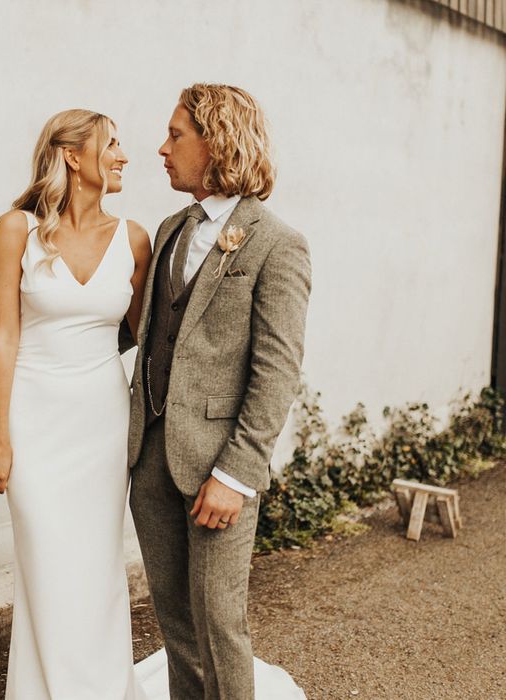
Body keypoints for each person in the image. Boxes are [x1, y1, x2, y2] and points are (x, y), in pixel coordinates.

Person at [128, 83, 312, 700]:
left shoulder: (276, 243)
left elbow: (276, 370)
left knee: (220, 624)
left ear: (216, 140)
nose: (161, 148)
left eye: (175, 135)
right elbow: (150, 333)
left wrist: (235, 475)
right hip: (153, 457)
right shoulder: (170, 229)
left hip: (217, 467)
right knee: (175, 625)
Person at [0, 108, 152, 699]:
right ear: (73, 156)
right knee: (47, 565)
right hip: (34, 420)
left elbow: (151, 342)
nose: (125, 156)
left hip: (103, 422)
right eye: (112, 145)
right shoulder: (14, 230)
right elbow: (4, 338)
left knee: (97, 567)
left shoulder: (134, 239)